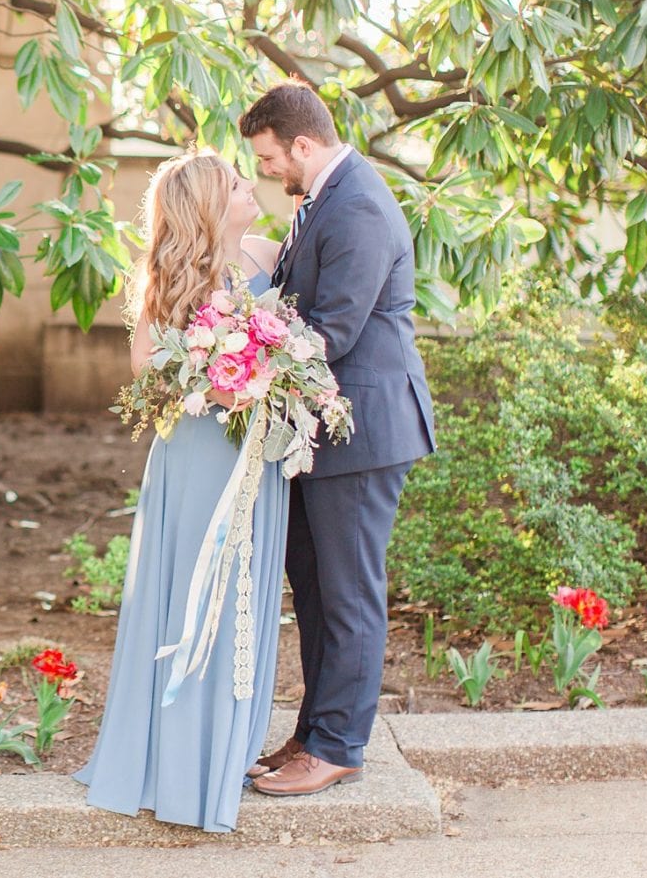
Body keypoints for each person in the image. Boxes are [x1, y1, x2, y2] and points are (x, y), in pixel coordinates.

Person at [73, 150, 290, 833]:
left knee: (244, 594)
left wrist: (274, 371)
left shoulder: (266, 255)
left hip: (257, 456)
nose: (252, 185)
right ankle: (177, 763)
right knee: (196, 597)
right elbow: (146, 371)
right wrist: (218, 374)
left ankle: (228, 748)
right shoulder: (170, 280)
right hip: (199, 459)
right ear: (208, 205)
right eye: (236, 182)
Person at [238, 83, 436, 797]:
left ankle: (341, 744)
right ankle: (314, 731)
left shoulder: (356, 204)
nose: (266, 170)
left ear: (302, 144)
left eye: (268, 157)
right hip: (321, 433)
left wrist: (237, 359)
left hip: (365, 430)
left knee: (348, 593)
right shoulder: (325, 197)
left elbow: (333, 331)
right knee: (316, 589)